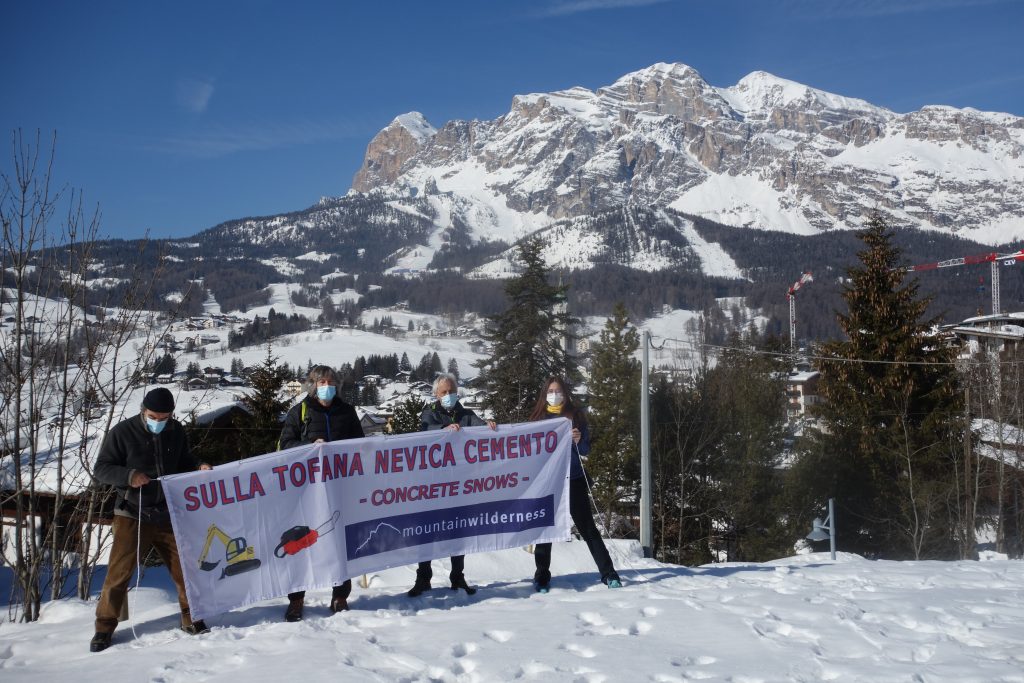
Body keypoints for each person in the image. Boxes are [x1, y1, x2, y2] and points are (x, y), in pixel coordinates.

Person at [90, 387, 213, 653]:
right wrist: (129, 476)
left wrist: (198, 465)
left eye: (164, 418)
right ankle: (104, 627)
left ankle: (192, 617)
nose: (158, 422)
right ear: (143, 411)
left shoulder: (176, 431)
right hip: (132, 513)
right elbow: (101, 469)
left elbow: (184, 459)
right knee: (119, 572)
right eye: (153, 417)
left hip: (168, 512)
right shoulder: (122, 432)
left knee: (185, 569)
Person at [278, 365, 364, 621]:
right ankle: (296, 599)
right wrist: (309, 446)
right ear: (313, 385)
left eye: (331, 382)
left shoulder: (347, 412)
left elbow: (360, 445)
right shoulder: (300, 412)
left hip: (340, 486)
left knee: (340, 542)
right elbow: (285, 445)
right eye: (322, 382)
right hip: (307, 490)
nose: (327, 386)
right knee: (302, 543)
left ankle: (340, 596)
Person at [529, 376, 621, 592]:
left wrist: (579, 441)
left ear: (565, 393)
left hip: (574, 479)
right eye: (550, 391)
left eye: (558, 391)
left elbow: (586, 449)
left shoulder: (576, 416)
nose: (554, 395)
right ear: (544, 395)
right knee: (546, 530)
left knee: (588, 528)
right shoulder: (538, 419)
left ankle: (609, 574)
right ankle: (542, 576)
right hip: (549, 481)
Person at [407, 373, 496, 597]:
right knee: (427, 531)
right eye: (444, 392)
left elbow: (481, 427)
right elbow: (425, 430)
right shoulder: (429, 413)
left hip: (458, 484)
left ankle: (458, 577)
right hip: (433, 484)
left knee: (458, 531)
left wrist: (489, 425)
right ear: (436, 394)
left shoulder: (466, 414)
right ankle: (423, 578)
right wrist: (443, 430)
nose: (448, 395)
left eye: (452, 391)